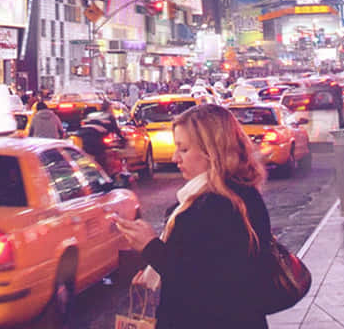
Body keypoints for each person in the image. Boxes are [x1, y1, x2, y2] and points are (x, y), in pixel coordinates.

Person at [109, 103, 272, 329]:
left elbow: (206, 285)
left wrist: (151, 248)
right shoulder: (229, 195)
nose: (176, 157)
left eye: (184, 149)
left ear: (212, 151)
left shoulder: (219, 205)